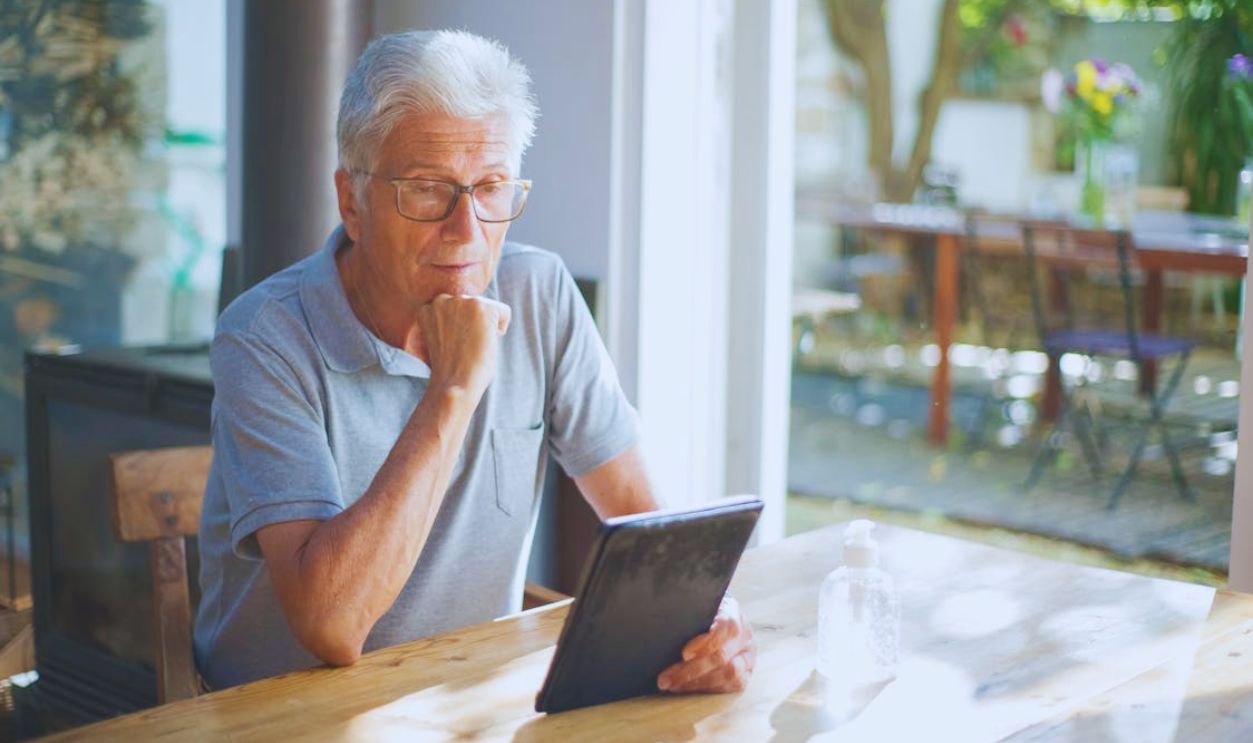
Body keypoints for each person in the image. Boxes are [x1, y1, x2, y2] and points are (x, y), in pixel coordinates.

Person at [193, 30, 755, 694]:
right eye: (428, 190)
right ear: (352, 200)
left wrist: (705, 617)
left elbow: (641, 517)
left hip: (464, 701)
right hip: (281, 716)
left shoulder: (537, 292)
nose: (466, 232)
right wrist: (453, 389)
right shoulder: (263, 336)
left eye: (490, 188)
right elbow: (331, 625)